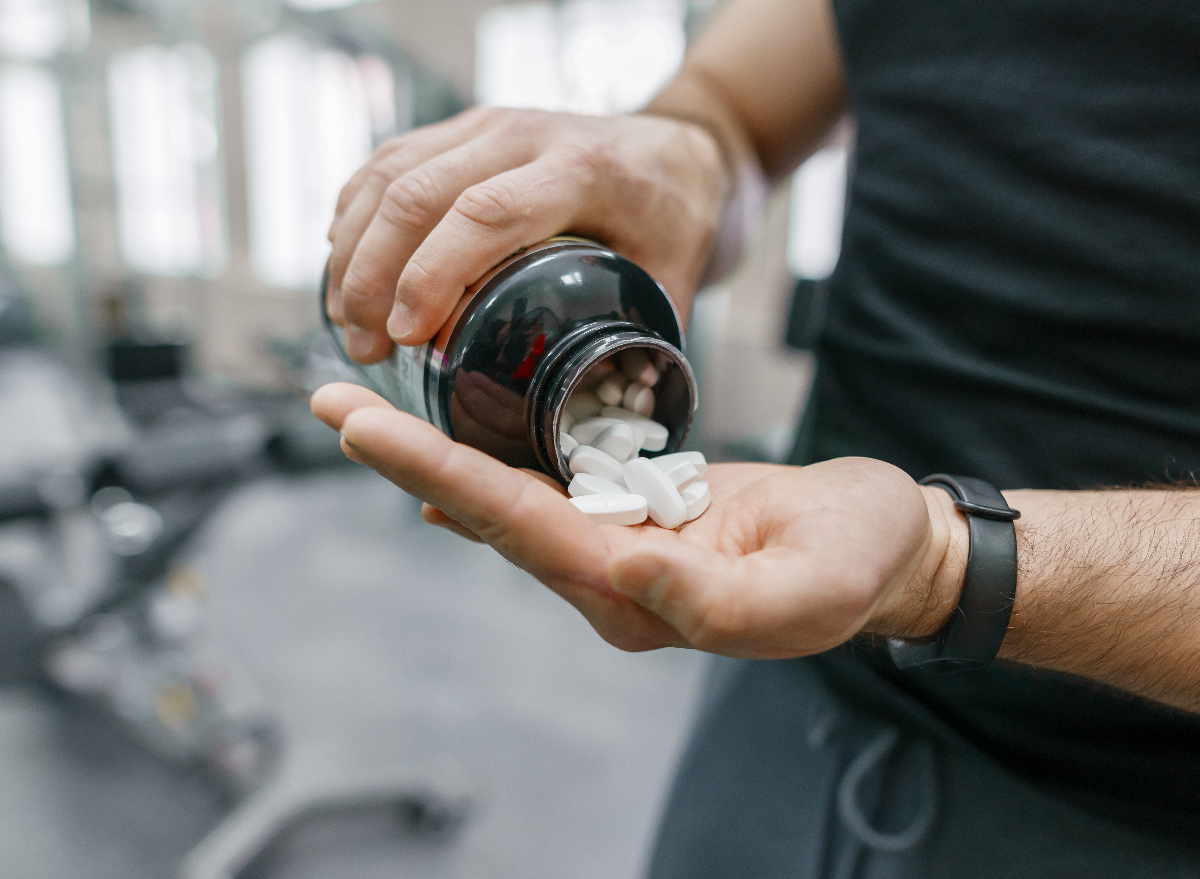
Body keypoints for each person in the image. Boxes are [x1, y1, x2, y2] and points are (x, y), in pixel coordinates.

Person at [311, 0, 1200, 873]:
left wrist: (943, 560)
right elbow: (734, 106)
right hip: (791, 683)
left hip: (1117, 806)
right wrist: (688, 156)